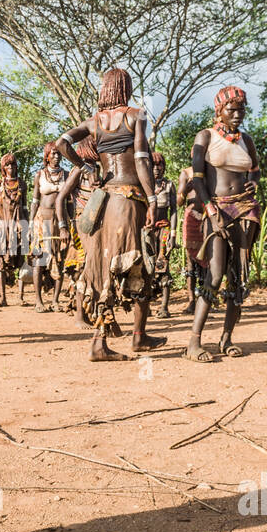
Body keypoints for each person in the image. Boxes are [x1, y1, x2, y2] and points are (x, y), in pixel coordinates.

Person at [56, 68, 164, 360]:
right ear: (125, 88)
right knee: (137, 265)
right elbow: (141, 160)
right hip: (128, 201)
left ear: (105, 90)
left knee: (106, 270)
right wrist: (152, 198)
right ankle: (134, 338)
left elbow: (61, 143)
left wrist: (87, 166)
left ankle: (103, 342)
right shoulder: (135, 116)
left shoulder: (94, 123)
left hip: (104, 202)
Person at [185, 86, 261, 361]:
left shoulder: (246, 140)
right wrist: (210, 208)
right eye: (232, 109)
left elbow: (256, 169)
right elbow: (197, 178)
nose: (238, 114)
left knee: (237, 276)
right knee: (215, 274)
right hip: (215, 207)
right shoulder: (205, 137)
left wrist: (254, 181)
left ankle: (226, 338)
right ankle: (193, 342)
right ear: (219, 110)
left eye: (241, 109)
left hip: (245, 210)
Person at [57, 137, 101, 327]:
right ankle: (79, 316)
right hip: (82, 224)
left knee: (96, 270)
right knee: (83, 269)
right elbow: (61, 199)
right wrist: (63, 226)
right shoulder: (79, 171)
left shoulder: (101, 169)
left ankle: (94, 313)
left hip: (99, 225)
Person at [29, 142, 68, 312]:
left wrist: (70, 222)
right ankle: (38, 301)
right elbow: (35, 200)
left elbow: (70, 202)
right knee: (40, 261)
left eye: (59, 153)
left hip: (60, 221)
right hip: (41, 220)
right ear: (47, 156)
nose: (57, 156)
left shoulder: (67, 174)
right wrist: (30, 223)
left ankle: (55, 300)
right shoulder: (40, 175)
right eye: (53, 153)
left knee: (59, 260)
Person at [0, 154, 27, 307]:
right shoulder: (0, 184)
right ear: (3, 168)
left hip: (18, 225)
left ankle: (20, 297)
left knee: (20, 260)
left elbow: (24, 206)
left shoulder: (22, 184)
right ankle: (3, 298)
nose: (11, 168)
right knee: (0, 261)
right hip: (3, 226)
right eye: (7, 166)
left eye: (13, 165)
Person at [149, 152, 178, 318]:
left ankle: (164, 307)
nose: (156, 168)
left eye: (159, 165)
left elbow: (173, 210)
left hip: (164, 229)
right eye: (153, 165)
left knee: (163, 264)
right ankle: (145, 306)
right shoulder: (144, 185)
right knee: (146, 266)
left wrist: (173, 235)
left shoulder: (169, 185)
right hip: (147, 230)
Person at [174, 165, 201, 314]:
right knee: (191, 262)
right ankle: (191, 301)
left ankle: (206, 297)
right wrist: (185, 190)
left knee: (210, 259)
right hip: (192, 217)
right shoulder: (186, 173)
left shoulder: (211, 170)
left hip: (209, 216)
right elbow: (178, 202)